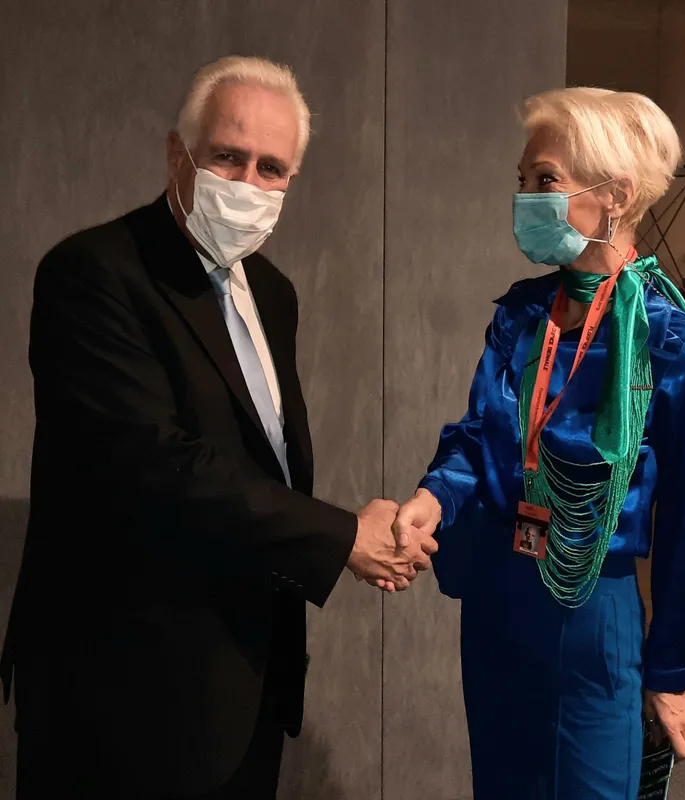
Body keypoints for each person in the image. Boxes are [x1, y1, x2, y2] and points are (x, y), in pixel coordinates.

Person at [0, 55, 435, 799]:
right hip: (120, 694)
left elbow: (262, 464)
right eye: (228, 157)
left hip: (242, 683)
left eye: (272, 168)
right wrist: (343, 537)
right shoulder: (95, 272)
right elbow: (153, 465)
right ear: (179, 154)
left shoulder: (272, 291)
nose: (247, 183)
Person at [394, 87, 685, 799]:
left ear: (616, 196)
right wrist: (434, 496)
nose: (525, 197)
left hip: (592, 610)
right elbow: (478, 439)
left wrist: (671, 672)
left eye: (545, 180)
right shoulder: (521, 314)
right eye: (522, 179)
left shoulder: (679, 348)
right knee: (502, 783)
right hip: (498, 592)